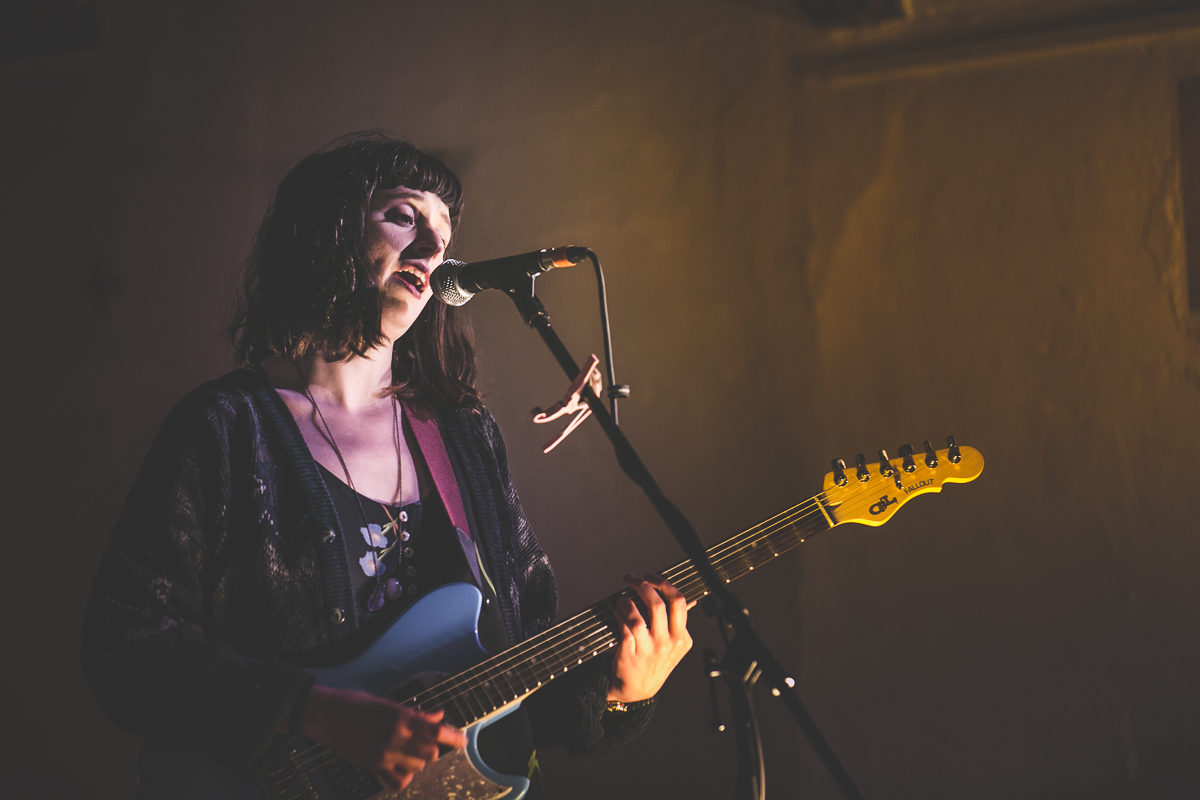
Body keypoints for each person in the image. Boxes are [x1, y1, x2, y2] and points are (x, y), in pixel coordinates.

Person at [82, 132, 693, 797]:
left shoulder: (463, 435)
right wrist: (310, 710)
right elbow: (125, 645)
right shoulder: (223, 428)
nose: (434, 251)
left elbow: (518, 663)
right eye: (404, 216)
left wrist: (622, 693)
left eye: (444, 231)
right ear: (330, 231)